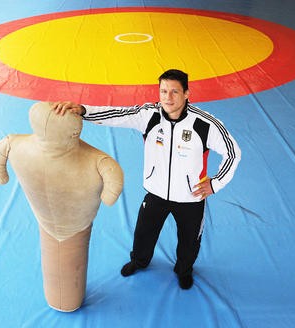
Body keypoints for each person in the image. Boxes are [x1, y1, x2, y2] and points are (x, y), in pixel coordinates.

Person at [53, 69, 241, 289]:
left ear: (187, 93)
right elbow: (115, 114)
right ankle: (139, 261)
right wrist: (83, 110)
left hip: (192, 197)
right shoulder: (149, 115)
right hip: (156, 192)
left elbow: (233, 152)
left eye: (174, 92)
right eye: (163, 91)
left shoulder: (205, 124)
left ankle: (184, 270)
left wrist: (216, 183)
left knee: (190, 242)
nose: (167, 98)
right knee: (143, 233)